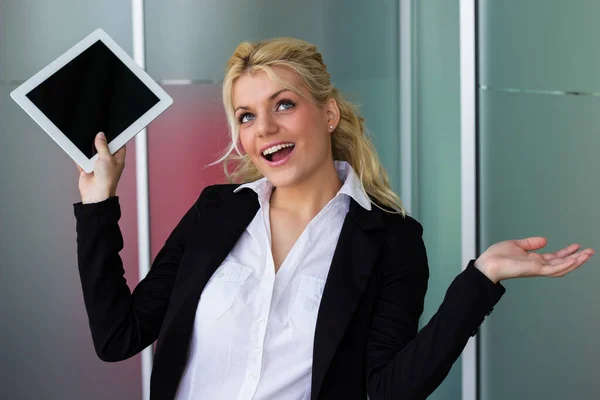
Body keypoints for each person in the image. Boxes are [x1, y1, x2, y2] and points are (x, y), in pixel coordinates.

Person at [74, 38, 594, 400]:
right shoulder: (216, 211)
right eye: (247, 115)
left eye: (284, 104)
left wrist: (481, 280)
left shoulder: (390, 240)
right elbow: (119, 337)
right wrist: (98, 207)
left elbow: (390, 389)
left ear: (328, 114)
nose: (265, 129)